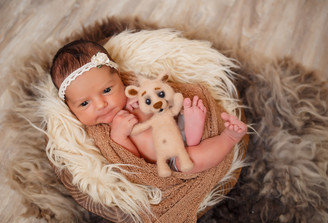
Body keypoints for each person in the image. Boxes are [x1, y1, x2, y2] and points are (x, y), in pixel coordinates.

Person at [50, 40, 247, 174]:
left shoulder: (132, 92)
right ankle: (229, 138)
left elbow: (158, 94)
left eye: (107, 90)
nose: (101, 104)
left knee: (184, 106)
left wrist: (145, 101)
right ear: (69, 107)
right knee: (192, 160)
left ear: (119, 78)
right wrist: (119, 136)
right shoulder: (103, 132)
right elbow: (132, 164)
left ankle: (193, 125)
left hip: (175, 123)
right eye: (85, 103)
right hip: (171, 159)